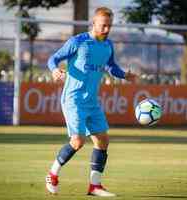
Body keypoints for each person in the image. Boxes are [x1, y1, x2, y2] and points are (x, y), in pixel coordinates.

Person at [45, 7, 136, 197]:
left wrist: (124, 75)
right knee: (77, 141)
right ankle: (52, 174)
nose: (106, 30)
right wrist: (54, 70)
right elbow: (53, 58)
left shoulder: (108, 45)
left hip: (92, 101)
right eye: (103, 26)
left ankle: (94, 186)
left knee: (102, 140)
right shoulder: (77, 42)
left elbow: (111, 67)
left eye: (109, 26)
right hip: (74, 99)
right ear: (93, 24)